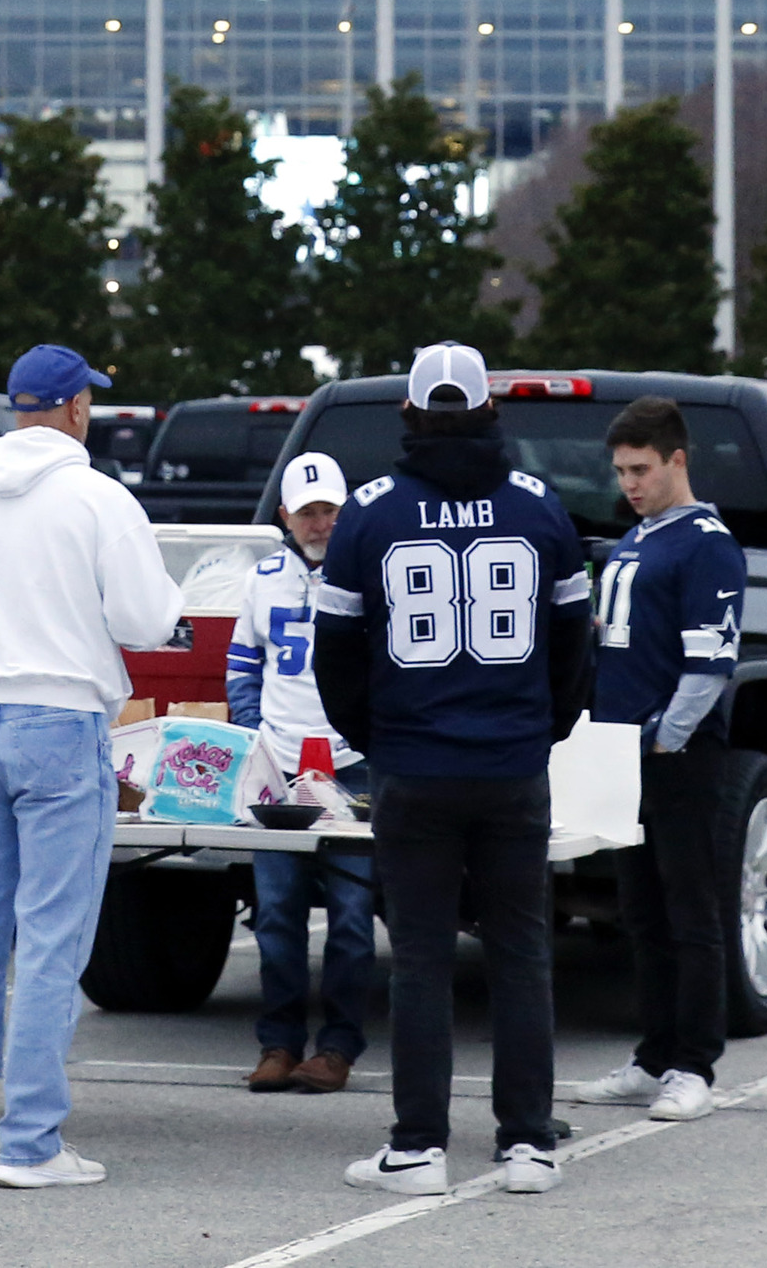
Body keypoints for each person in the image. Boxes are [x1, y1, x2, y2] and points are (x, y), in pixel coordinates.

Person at [316, 342, 593, 1199]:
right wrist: (538, 730)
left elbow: (337, 653)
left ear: (408, 414)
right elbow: (574, 651)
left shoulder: (367, 512)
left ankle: (419, 1147)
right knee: (521, 952)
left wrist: (380, 736)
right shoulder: (543, 509)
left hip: (414, 763)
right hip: (511, 763)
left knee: (424, 959)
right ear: (488, 412)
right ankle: (527, 1145)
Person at [0, 341, 183, 1191]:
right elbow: (145, 617)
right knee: (51, 941)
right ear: (74, 408)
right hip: (61, 721)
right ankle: (31, 1143)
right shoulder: (98, 497)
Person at [572, 394, 749, 1126]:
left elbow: (710, 663)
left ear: (678, 459)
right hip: (618, 751)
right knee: (640, 911)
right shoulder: (638, 538)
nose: (630, 484)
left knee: (691, 910)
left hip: (673, 756)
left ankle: (694, 1063)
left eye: (641, 469)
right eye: (620, 471)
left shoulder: (706, 542)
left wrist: (666, 737)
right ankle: (652, 1054)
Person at [226, 449, 372, 1095]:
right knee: (278, 907)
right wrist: (261, 732)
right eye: (307, 512)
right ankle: (279, 1042)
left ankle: (338, 1046)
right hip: (280, 764)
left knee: (350, 908)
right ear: (284, 515)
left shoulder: (369, 575)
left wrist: (369, 735)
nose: (319, 523)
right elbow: (242, 663)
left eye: (329, 511)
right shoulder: (263, 579)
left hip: (350, 762)